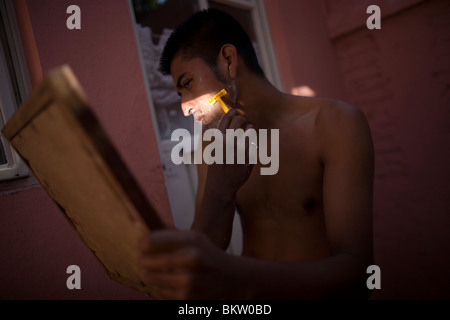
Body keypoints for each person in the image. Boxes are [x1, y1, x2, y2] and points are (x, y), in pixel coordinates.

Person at [137, 8, 375, 300]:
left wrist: (235, 275)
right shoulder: (212, 145)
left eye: (187, 84)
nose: (185, 107)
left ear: (228, 60)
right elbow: (206, 250)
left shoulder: (334, 123)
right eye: (179, 93)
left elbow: (356, 270)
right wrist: (219, 188)